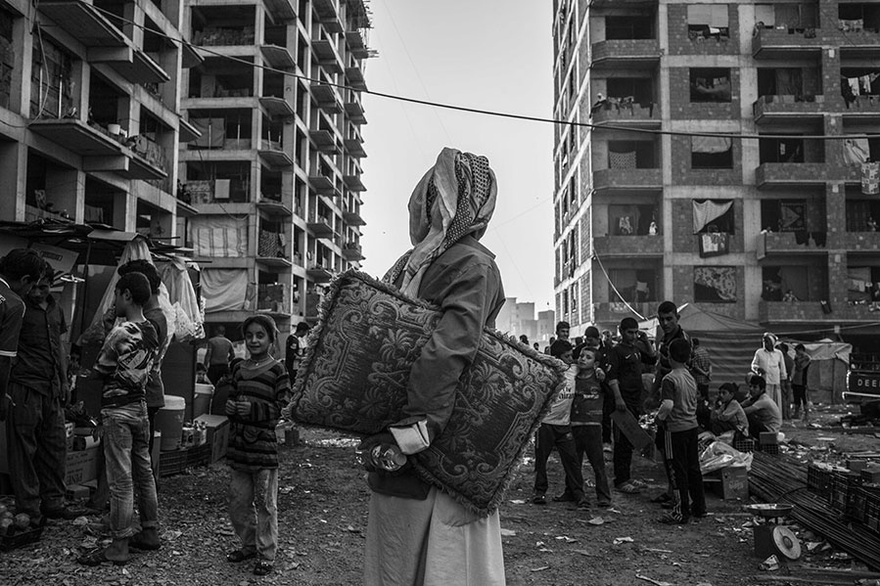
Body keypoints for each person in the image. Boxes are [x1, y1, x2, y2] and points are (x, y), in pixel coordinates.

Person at [359, 148, 506, 585]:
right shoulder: (474, 264)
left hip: (403, 433)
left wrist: (403, 428)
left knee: (397, 560)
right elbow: (450, 349)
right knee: (447, 565)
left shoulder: (411, 265)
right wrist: (418, 428)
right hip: (440, 442)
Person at [78, 272, 160, 566]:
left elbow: (100, 370)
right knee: (144, 473)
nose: (114, 299)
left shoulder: (121, 332)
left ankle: (119, 545)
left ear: (126, 295)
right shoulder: (151, 330)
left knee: (121, 481)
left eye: (116, 295)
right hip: (140, 409)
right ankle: (150, 532)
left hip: (118, 412)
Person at [8, 262, 84, 526]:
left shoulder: (55, 308)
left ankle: (54, 502)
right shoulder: (17, 307)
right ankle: (28, 507)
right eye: (36, 286)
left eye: (45, 286)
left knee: (55, 447)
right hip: (26, 386)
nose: (39, 292)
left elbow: (61, 347)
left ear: (52, 285)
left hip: (52, 388)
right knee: (24, 450)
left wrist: (64, 381)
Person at [225, 315, 290, 577]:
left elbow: (283, 408)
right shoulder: (238, 369)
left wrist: (254, 410)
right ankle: (249, 544)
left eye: (260, 335)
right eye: (249, 335)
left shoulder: (278, 371)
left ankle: (266, 554)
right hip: (239, 447)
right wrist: (230, 408)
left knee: (265, 503)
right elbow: (231, 398)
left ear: (271, 339)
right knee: (238, 501)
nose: (254, 340)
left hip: (263, 449)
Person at [532, 340, 588, 509]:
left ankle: (578, 494)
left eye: (571, 355)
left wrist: (599, 371)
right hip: (545, 425)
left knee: (572, 460)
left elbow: (590, 369)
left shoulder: (574, 370)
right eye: (567, 356)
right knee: (541, 460)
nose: (572, 359)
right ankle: (539, 492)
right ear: (557, 358)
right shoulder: (547, 372)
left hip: (564, 425)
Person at [655, 338, 705, 525]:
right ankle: (699, 507)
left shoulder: (670, 379)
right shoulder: (690, 376)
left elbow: (668, 404)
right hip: (692, 427)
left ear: (670, 356)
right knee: (693, 468)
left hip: (675, 429)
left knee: (677, 471)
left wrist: (658, 419)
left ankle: (680, 511)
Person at [606, 317, 653, 494]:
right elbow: (612, 377)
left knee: (630, 441)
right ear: (621, 331)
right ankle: (620, 480)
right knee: (621, 442)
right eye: (629, 332)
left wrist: (646, 340)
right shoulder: (616, 351)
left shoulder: (636, 349)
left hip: (635, 401)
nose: (633, 336)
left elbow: (652, 358)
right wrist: (618, 399)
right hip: (622, 403)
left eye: (635, 332)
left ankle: (627, 476)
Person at [0, 249, 45, 425]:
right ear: (25, 280)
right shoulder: (14, 304)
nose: (30, 292)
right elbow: (3, 358)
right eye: (32, 286)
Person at [570, 345, 611, 507]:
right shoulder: (573, 378)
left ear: (595, 363)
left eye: (588, 357)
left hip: (593, 426)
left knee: (598, 464)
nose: (582, 359)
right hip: (575, 425)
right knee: (574, 462)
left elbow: (609, 394)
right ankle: (574, 493)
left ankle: (603, 496)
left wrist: (604, 379)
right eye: (581, 356)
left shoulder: (599, 378)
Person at [750, 333, 786, 409]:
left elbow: (782, 368)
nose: (765, 343)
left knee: (775, 402)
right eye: (763, 341)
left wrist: (783, 380)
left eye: (767, 341)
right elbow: (753, 365)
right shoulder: (759, 352)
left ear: (772, 343)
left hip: (775, 382)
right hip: (764, 381)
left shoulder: (778, 353)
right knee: (764, 401)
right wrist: (758, 368)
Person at [791, 344, 812, 421]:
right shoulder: (797, 358)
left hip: (803, 381)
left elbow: (800, 367)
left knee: (804, 398)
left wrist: (797, 361)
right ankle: (796, 413)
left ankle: (806, 414)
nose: (796, 352)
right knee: (796, 398)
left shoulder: (806, 358)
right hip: (796, 380)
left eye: (797, 350)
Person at [777, 342, 794, 421]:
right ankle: (787, 415)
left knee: (783, 398)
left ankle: (784, 415)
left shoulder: (783, 360)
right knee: (787, 399)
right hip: (788, 380)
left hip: (783, 380)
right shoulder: (790, 359)